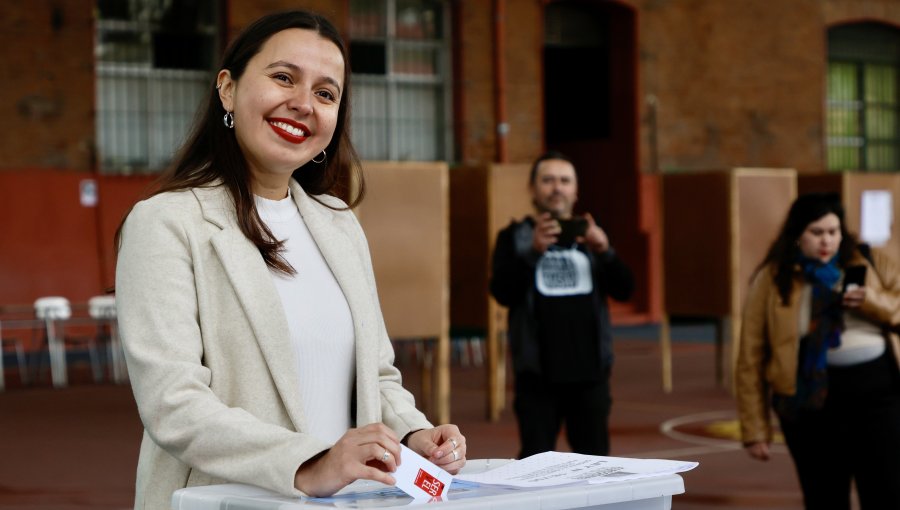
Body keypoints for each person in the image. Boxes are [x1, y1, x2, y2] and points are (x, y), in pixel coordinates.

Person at [114, 10, 466, 509]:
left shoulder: (338, 222)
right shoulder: (166, 223)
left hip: (349, 501)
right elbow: (174, 406)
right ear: (228, 89)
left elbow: (377, 373)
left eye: (326, 94)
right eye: (283, 78)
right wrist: (312, 462)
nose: (303, 104)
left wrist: (413, 435)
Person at [736, 192, 900, 509]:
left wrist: (870, 301)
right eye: (816, 232)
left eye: (833, 232)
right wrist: (755, 428)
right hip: (811, 403)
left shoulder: (869, 261)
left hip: (877, 396)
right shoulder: (773, 278)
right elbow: (750, 357)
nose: (826, 241)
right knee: (825, 497)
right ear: (798, 235)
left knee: (887, 493)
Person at [489, 151, 634, 459]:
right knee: (535, 465)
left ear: (575, 190)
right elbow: (501, 292)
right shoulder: (513, 238)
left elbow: (626, 289)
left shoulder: (592, 238)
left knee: (596, 465)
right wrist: (533, 251)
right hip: (537, 378)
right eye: (548, 180)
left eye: (565, 181)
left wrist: (606, 250)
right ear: (532, 189)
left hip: (591, 375)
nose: (557, 188)